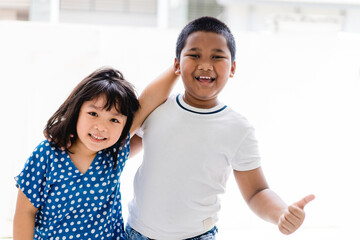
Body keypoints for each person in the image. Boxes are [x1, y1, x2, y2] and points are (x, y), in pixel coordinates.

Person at [126, 16, 315, 240]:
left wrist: (281, 213)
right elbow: (120, 151)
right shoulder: (156, 109)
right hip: (137, 233)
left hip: (197, 236)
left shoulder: (238, 129)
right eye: (194, 55)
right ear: (177, 64)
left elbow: (257, 192)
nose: (205, 64)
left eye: (217, 57)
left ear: (232, 67)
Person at [13, 67, 178, 240]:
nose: (101, 127)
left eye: (114, 119)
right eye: (93, 114)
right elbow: (25, 213)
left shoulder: (114, 151)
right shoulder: (46, 154)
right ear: (76, 111)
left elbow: (150, 100)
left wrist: (178, 68)